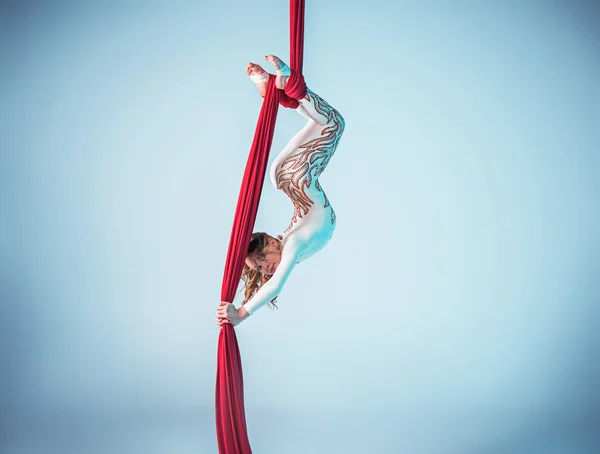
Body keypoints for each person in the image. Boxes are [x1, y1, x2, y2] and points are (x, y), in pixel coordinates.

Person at [216, 54, 344, 327]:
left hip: (297, 179)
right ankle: (277, 89)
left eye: (262, 261)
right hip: (288, 178)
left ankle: (287, 84)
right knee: (322, 123)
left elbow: (276, 287)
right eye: (261, 270)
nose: (266, 270)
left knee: (334, 123)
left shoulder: (293, 246)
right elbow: (270, 281)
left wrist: (240, 314)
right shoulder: (290, 241)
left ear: (273, 243)